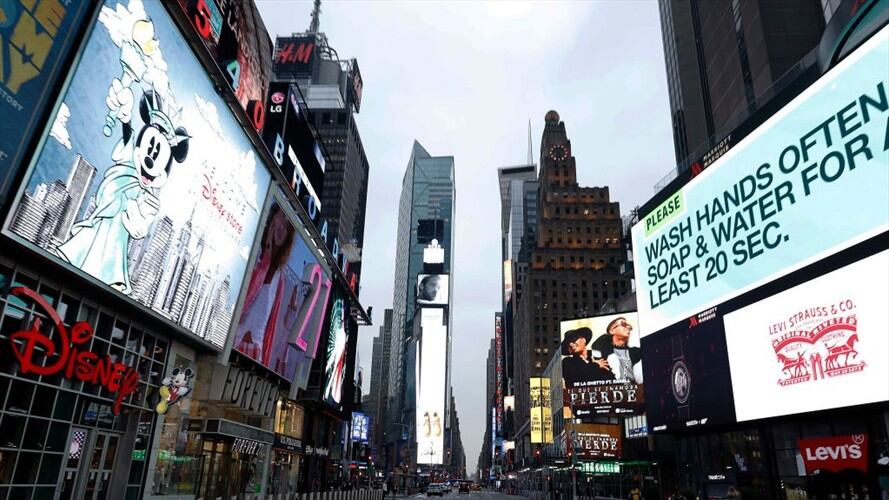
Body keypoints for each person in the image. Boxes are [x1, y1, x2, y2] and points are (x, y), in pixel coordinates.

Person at [235, 204, 295, 365]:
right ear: (271, 219)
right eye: (281, 218)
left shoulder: (279, 278)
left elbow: (271, 326)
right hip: (233, 341)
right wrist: (267, 250)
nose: (282, 227)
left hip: (256, 352)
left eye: (287, 226)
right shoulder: (253, 256)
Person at [590, 316, 643, 383]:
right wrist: (594, 364)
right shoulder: (602, 349)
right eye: (623, 324)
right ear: (612, 331)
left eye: (629, 327)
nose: (628, 328)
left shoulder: (635, 352)